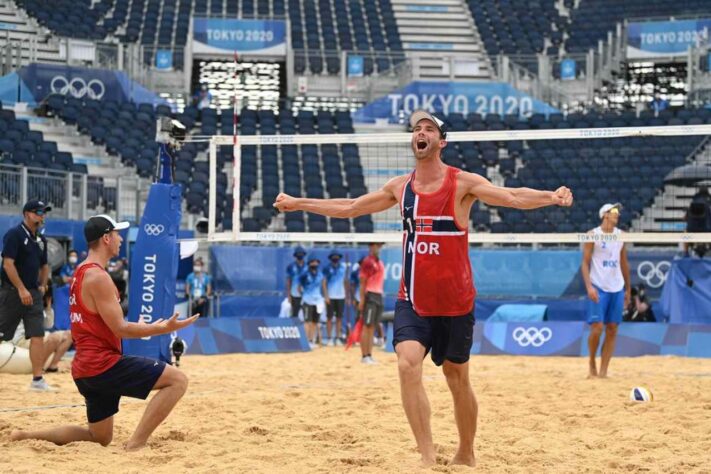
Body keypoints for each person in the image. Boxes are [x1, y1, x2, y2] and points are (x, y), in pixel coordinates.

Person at [273, 110, 573, 467]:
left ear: (441, 142)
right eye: (417, 128)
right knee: (407, 364)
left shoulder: (462, 183)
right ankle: (428, 457)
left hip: (456, 304)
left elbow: (510, 196)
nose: (421, 132)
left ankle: (466, 451)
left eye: (429, 128)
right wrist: (298, 203)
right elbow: (351, 207)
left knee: (456, 377)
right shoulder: (401, 187)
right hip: (413, 301)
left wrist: (550, 197)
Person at [10, 214, 198, 450]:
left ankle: (25, 435)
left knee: (99, 437)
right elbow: (120, 328)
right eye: (118, 234)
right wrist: (162, 328)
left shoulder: (81, 272)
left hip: (86, 368)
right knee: (178, 380)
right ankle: (136, 445)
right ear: (106, 238)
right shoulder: (99, 277)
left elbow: (103, 321)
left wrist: (133, 323)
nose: (121, 239)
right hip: (102, 365)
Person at [0, 199, 54, 391]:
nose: (42, 215)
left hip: (33, 294)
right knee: (1, 334)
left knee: (37, 335)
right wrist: (22, 289)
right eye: (39, 212)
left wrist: (42, 284)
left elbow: (45, 265)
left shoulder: (40, 239)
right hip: (13, 292)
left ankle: (37, 380)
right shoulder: (14, 235)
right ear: (27, 214)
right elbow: (8, 264)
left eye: (44, 212)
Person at [581, 203, 631, 379]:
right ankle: (591, 364)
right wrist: (589, 287)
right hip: (599, 286)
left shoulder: (621, 236)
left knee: (612, 329)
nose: (617, 214)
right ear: (604, 215)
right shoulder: (592, 235)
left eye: (618, 211)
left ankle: (604, 371)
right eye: (614, 211)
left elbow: (624, 263)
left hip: (617, 287)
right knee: (597, 328)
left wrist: (628, 289)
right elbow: (584, 263)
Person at [359, 243, 385, 364]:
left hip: (379, 295)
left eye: (379, 246)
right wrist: (362, 300)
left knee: (372, 327)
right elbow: (362, 282)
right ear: (371, 246)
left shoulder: (379, 262)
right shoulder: (367, 262)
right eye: (376, 246)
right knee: (366, 326)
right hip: (370, 295)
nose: (378, 248)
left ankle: (369, 354)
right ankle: (364, 356)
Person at [322, 251, 347, 346]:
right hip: (331, 297)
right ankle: (329, 339)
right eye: (334, 256)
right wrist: (326, 296)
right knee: (329, 318)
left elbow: (345, 281)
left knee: (339, 318)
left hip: (341, 296)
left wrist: (346, 296)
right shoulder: (327, 268)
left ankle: (338, 338)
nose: (335, 258)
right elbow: (324, 283)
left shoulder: (343, 268)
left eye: (337, 256)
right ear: (331, 258)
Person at [299, 257, 324, 348]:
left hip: (317, 301)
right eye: (312, 262)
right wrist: (304, 294)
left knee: (314, 322)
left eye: (316, 262)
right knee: (307, 321)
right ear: (309, 263)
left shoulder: (320, 274)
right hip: (307, 300)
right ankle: (306, 341)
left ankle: (311, 340)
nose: (314, 264)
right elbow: (299, 286)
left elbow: (322, 285)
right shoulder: (304, 274)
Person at [285, 246, 307, 318]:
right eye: (298, 254)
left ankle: (307, 329)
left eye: (301, 254)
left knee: (307, 316)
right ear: (295, 255)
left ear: (304, 254)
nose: (300, 255)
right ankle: (295, 329)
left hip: (306, 295)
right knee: (294, 315)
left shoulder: (308, 266)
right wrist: (289, 295)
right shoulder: (291, 266)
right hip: (294, 295)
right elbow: (289, 281)